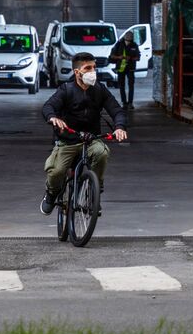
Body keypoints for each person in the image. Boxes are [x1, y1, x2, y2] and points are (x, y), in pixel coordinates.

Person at [39, 51, 129, 215]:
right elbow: (48, 107)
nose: (92, 72)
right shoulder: (66, 90)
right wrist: (53, 118)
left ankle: (94, 191)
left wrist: (120, 126)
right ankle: (51, 194)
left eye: (94, 67)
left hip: (91, 139)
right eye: (88, 68)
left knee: (102, 152)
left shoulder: (100, 90)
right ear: (77, 72)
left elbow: (117, 111)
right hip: (68, 140)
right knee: (57, 172)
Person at [109, 30, 139, 109]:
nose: (129, 38)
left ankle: (130, 103)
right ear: (125, 37)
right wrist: (119, 57)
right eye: (128, 36)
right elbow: (112, 56)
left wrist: (131, 58)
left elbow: (138, 57)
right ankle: (124, 103)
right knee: (121, 86)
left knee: (131, 86)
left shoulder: (134, 45)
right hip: (121, 69)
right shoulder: (118, 45)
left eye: (131, 37)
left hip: (130, 68)